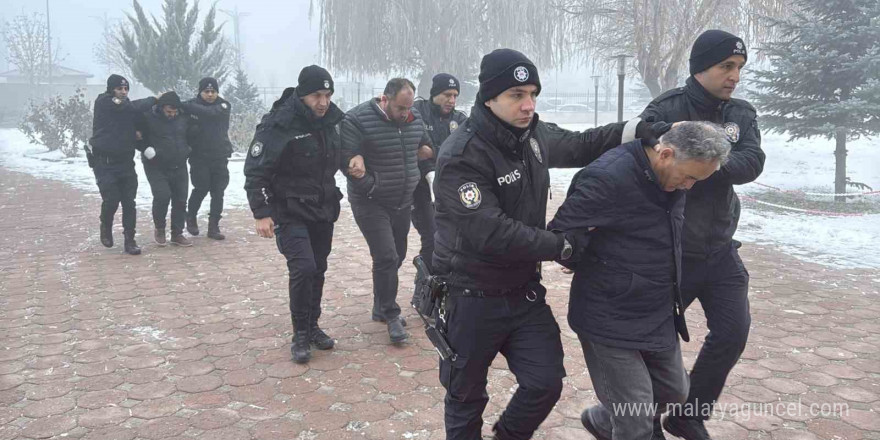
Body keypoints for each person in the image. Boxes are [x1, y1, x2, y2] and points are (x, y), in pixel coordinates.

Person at [432, 48, 659, 440]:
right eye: (516, 95)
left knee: (545, 382)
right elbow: (491, 231)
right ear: (489, 98)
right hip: (469, 295)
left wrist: (636, 130)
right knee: (465, 395)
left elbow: (583, 143)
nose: (528, 105)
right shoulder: (461, 155)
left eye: (533, 93)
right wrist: (562, 246)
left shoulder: (533, 134)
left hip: (522, 292)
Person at [548, 121, 731, 440]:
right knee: (635, 419)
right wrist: (589, 260)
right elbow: (561, 234)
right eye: (688, 176)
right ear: (666, 154)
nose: (689, 186)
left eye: (696, 180)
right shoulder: (608, 176)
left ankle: (605, 421)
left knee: (674, 392)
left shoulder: (674, 178)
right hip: (608, 313)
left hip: (656, 307)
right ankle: (623, 425)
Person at [639, 30, 765, 439]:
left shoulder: (741, 115)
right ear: (700, 67)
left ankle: (689, 414)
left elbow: (750, 162)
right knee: (654, 345)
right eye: (725, 66)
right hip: (671, 251)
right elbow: (650, 152)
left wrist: (702, 162)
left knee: (732, 332)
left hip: (719, 248)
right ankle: (638, 421)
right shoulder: (667, 108)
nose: (734, 76)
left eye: (739, 68)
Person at [244, 65, 344, 363]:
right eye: (316, 95)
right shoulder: (280, 124)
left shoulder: (332, 121)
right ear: (302, 94)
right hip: (289, 210)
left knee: (319, 268)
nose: (323, 102)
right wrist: (261, 213)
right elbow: (256, 170)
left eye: (327, 95)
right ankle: (299, 334)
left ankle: (313, 326)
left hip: (322, 208)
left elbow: (341, 154)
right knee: (304, 268)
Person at [339, 78, 432, 344]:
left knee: (397, 254)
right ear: (385, 99)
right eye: (401, 108)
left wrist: (426, 153)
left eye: (409, 107)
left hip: (403, 200)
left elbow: (424, 144)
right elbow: (348, 161)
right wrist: (373, 186)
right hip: (371, 201)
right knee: (386, 256)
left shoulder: (413, 118)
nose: (405, 113)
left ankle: (381, 304)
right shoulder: (357, 119)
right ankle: (391, 315)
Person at [87, 74, 156, 255]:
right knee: (111, 200)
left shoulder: (128, 110)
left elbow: (138, 126)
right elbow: (131, 107)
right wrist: (154, 99)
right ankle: (106, 225)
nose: (123, 92)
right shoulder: (105, 102)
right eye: (119, 89)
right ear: (111, 89)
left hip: (125, 162)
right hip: (104, 163)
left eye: (126, 89)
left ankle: (130, 240)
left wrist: (141, 139)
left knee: (129, 202)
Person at [411, 73, 468, 269]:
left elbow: (462, 151)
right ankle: (424, 287)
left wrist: (433, 151)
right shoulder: (416, 112)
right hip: (420, 190)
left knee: (453, 239)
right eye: (447, 94)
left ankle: (442, 281)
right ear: (434, 94)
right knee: (432, 237)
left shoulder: (460, 120)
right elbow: (415, 148)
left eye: (455, 96)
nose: (451, 100)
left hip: (450, 188)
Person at [138, 91, 193, 247]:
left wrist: (188, 149)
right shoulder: (148, 117)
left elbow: (191, 134)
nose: (172, 114)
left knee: (181, 200)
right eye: (169, 111)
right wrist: (146, 149)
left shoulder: (183, 117)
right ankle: (160, 228)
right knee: (163, 195)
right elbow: (135, 136)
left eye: (175, 111)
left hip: (179, 162)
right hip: (156, 164)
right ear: (161, 108)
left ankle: (177, 233)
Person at [184, 77, 233, 240]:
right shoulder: (192, 105)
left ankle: (214, 227)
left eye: (213, 91)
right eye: (207, 91)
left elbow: (209, 113)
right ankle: (190, 217)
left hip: (219, 155)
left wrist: (192, 108)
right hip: (199, 156)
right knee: (201, 188)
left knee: (218, 192)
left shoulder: (224, 105)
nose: (210, 94)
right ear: (200, 92)